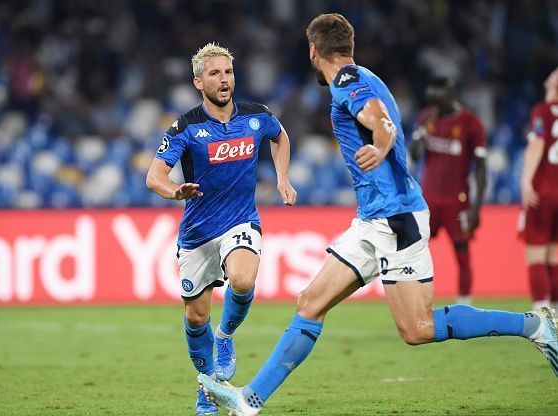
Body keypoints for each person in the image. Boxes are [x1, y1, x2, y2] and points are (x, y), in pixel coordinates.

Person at [198, 14, 558, 416]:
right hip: (372, 219)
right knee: (309, 303)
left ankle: (536, 327)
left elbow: (379, 121)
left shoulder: (346, 82)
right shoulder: (365, 75)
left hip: (397, 219)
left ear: (315, 51)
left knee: (417, 329)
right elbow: (379, 117)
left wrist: (382, 144)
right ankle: (250, 401)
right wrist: (383, 141)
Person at [146, 43, 297, 415]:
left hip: (240, 221)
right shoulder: (185, 127)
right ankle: (208, 386)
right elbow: (154, 177)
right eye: (214, 74)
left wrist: (282, 179)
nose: (224, 79)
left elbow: (280, 137)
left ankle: (226, 336)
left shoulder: (256, 116)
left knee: (243, 280)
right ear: (199, 82)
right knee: (195, 317)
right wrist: (175, 191)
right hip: (198, 232)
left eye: (227, 71)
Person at [410, 77, 487, 305]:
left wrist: (476, 208)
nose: (434, 105)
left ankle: (464, 304)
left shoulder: (470, 123)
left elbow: (481, 169)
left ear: (450, 95)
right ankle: (416, 299)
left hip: (457, 201)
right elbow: (415, 155)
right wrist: (421, 130)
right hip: (429, 201)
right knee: (416, 250)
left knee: (462, 253)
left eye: (437, 100)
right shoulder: (427, 117)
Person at [520, 68, 558, 312]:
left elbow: (537, 144)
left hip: (544, 192)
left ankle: (542, 312)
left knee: (535, 255)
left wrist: (526, 179)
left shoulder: (542, 112)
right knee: (554, 256)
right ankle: (554, 309)